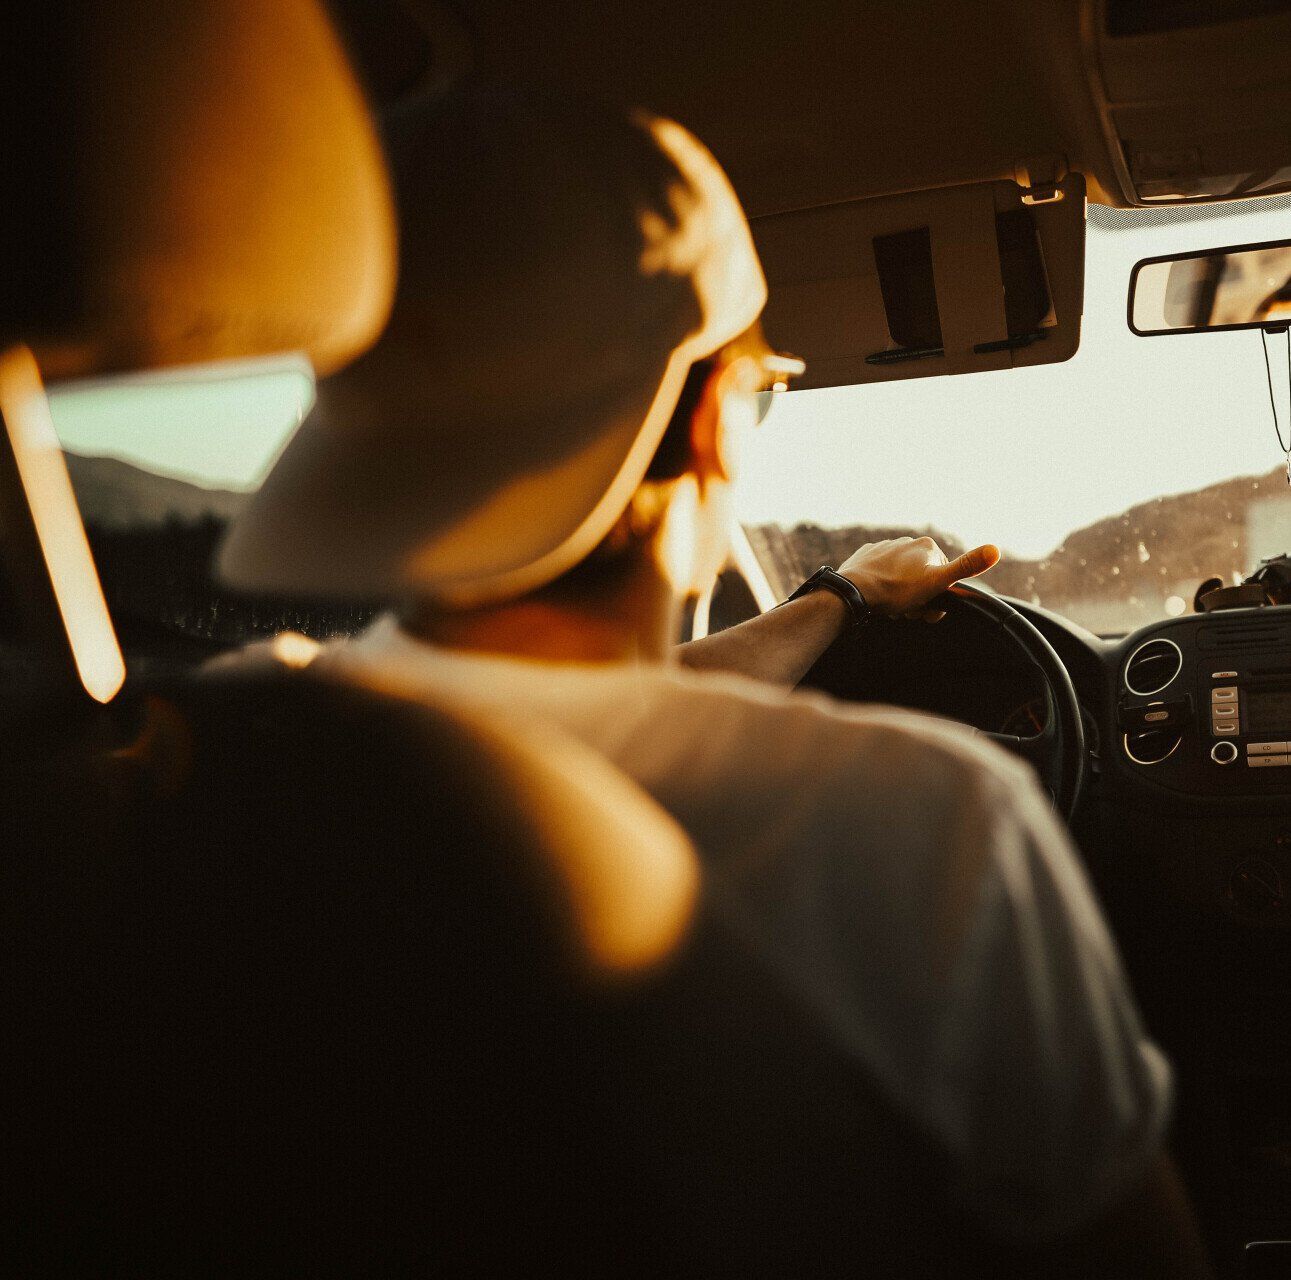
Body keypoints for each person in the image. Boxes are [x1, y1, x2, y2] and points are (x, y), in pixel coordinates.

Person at [219, 88, 1211, 1274]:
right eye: (759, 392)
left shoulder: (215, 775)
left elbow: (586, 714)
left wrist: (834, 598)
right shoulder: (924, 823)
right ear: (710, 433)